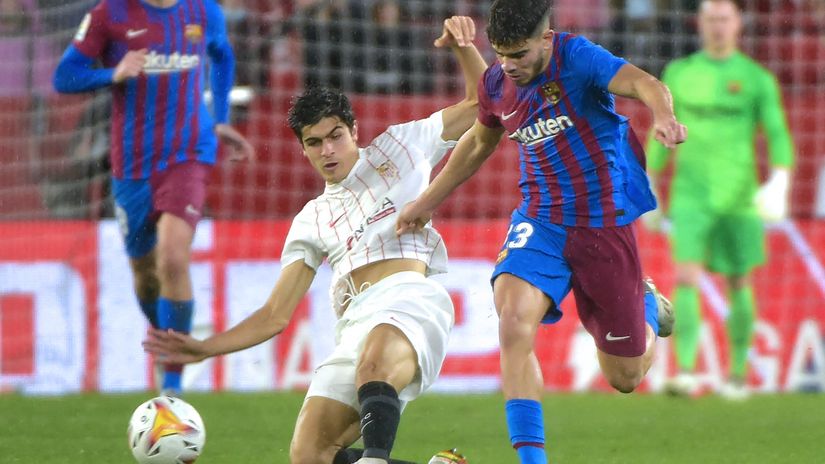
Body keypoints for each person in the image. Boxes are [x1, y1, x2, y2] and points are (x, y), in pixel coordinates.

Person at [144, 16, 486, 464]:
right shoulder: (310, 220)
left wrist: (464, 45)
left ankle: (376, 459)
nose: (327, 151)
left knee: (374, 365)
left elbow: (485, 103)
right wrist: (207, 348)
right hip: (355, 324)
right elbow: (273, 315)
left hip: (409, 300)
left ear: (353, 130)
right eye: (314, 143)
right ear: (302, 149)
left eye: (335, 137)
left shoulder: (401, 147)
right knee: (310, 454)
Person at [396, 1, 685, 462]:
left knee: (624, 378)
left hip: (603, 225)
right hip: (541, 221)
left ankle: (648, 308)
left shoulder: (578, 58)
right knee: (512, 323)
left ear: (547, 40)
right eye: (502, 54)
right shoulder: (497, 83)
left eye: (521, 54)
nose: (509, 66)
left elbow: (643, 83)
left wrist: (664, 115)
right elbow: (478, 142)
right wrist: (425, 202)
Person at [53, 0, 254, 396]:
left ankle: (173, 388)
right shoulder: (109, 14)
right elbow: (64, 77)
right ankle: (166, 338)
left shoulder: (203, 11)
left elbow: (223, 56)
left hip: (190, 155)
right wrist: (114, 72)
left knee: (174, 257)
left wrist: (221, 119)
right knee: (146, 274)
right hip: (133, 166)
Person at [644, 0, 794, 400]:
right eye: (711, 19)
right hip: (690, 195)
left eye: (724, 19)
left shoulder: (756, 78)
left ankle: (738, 375)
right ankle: (687, 372)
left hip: (739, 197)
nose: (717, 26)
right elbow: (661, 128)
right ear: (699, 24)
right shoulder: (680, 73)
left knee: (739, 280)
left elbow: (777, 131)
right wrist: (649, 183)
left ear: (738, 24)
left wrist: (779, 180)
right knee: (687, 277)